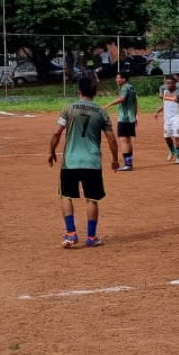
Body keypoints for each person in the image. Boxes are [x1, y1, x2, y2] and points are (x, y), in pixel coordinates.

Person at [48, 76, 120, 249]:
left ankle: (71, 234)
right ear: (95, 93)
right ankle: (91, 237)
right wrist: (115, 159)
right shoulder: (101, 112)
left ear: (78, 92)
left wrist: (51, 151)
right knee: (92, 199)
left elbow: (57, 133)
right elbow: (111, 139)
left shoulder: (68, 109)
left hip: (70, 161)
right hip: (92, 162)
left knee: (66, 195)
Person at [107, 72, 138, 170]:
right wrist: (135, 116)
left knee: (123, 140)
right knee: (128, 140)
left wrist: (108, 105)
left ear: (123, 79)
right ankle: (129, 163)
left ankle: (127, 165)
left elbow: (122, 98)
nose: (116, 80)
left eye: (118, 78)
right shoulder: (131, 87)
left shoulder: (124, 88)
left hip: (124, 118)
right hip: (131, 117)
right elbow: (135, 103)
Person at [154, 73, 179, 164]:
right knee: (166, 137)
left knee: (176, 136)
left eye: (170, 83)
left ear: (174, 83)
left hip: (177, 117)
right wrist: (157, 111)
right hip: (167, 118)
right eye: (167, 83)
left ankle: (178, 157)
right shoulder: (165, 92)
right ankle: (172, 151)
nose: (168, 85)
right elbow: (164, 104)